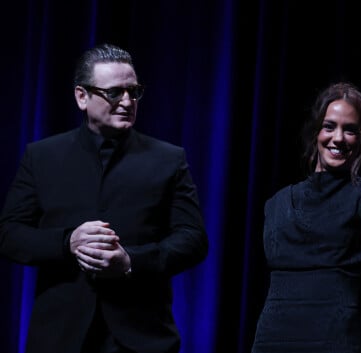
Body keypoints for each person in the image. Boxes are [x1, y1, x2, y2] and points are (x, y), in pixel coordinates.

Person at [0, 43, 209, 353]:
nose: (127, 101)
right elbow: (9, 235)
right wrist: (67, 241)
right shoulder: (42, 156)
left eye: (134, 91)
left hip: (143, 336)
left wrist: (130, 261)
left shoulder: (169, 159)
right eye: (114, 92)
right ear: (81, 96)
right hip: (59, 337)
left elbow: (193, 240)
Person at [251, 82, 361, 353]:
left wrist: (343, 306)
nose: (339, 138)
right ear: (316, 132)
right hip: (272, 338)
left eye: (350, 130)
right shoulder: (278, 203)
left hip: (332, 339)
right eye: (329, 126)